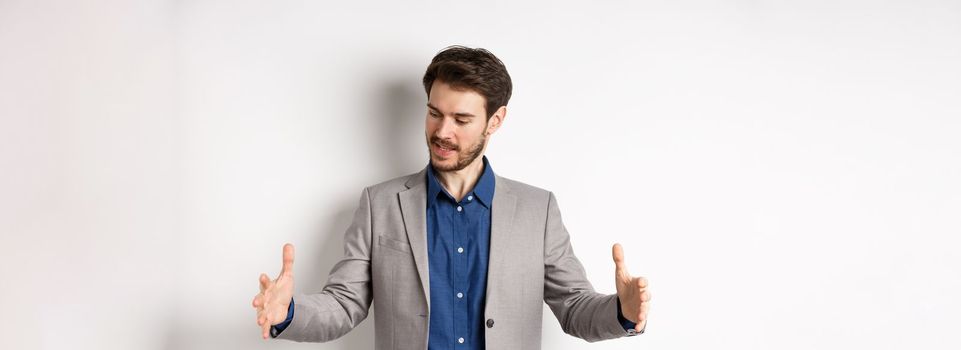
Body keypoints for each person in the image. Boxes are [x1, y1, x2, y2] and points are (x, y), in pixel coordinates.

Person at [251, 45, 651, 350]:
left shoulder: (538, 210)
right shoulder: (380, 205)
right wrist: (289, 312)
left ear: (495, 121)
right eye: (434, 113)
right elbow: (343, 305)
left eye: (461, 120)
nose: (442, 131)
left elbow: (575, 308)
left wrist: (622, 311)